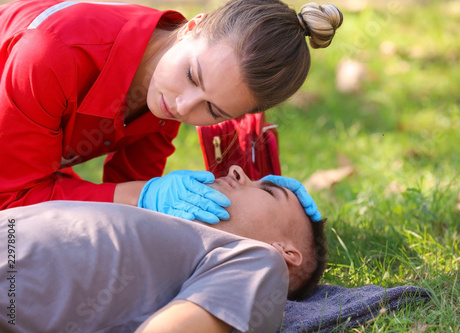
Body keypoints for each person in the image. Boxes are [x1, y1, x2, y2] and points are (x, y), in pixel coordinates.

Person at [0, 0, 342, 223]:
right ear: (192, 27)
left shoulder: (165, 90)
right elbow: (12, 205)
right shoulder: (50, 53)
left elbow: (124, 212)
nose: (182, 107)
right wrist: (146, 195)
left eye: (212, 109)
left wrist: (269, 210)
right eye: (193, 75)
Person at [0, 166, 327, 333]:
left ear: (285, 252)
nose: (238, 171)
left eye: (268, 191)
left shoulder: (259, 260)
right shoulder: (169, 241)